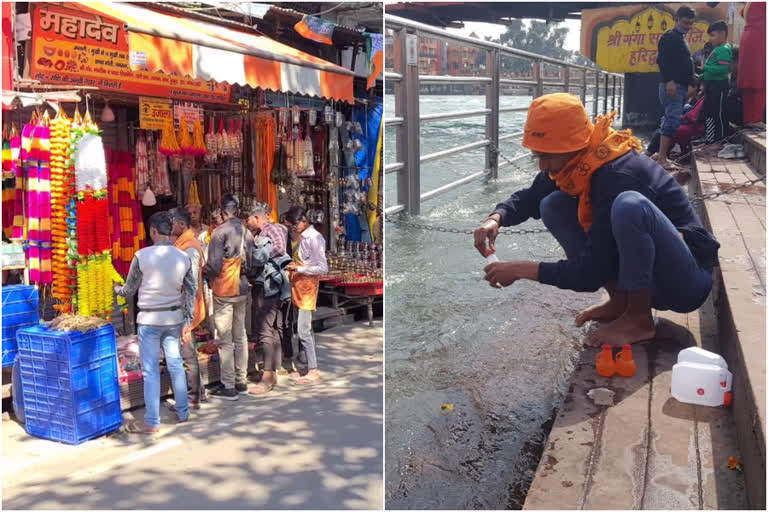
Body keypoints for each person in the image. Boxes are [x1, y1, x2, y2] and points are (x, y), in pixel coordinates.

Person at [473, 93, 720, 347]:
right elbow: (532, 196)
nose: (542, 165)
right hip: (652, 278)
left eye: (547, 156)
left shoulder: (616, 173)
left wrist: (520, 270)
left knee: (630, 206)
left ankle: (638, 318)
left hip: (685, 282)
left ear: (572, 146)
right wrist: (496, 218)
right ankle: (620, 301)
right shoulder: (575, 163)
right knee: (552, 204)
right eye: (538, 156)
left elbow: (591, 272)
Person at [115, 212, 196, 433]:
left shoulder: (141, 256)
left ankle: (151, 421)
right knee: (176, 364)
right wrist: (188, 320)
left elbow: (129, 290)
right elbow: (191, 291)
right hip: (174, 318)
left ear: (152, 231)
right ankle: (182, 411)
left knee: (150, 370)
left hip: (149, 320)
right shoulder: (183, 257)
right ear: (170, 231)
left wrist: (116, 289)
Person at [204, 194, 255, 400]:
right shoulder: (245, 231)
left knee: (224, 339)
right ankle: (241, 381)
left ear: (223, 211)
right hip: (242, 288)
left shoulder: (219, 232)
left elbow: (214, 266)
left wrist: (202, 272)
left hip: (224, 290)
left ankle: (228, 386)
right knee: (240, 336)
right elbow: (251, 262)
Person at [244, 202, 292, 394]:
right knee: (273, 329)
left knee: (264, 329)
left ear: (257, 218)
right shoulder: (275, 229)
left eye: (248, 219)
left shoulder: (270, 230)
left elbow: (278, 249)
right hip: (273, 286)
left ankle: (267, 375)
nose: (247, 223)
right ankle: (274, 369)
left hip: (268, 286)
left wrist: (259, 255)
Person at [170, 207, 207, 408]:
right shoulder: (182, 244)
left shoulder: (190, 247)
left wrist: (187, 314)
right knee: (186, 348)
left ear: (181, 225)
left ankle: (193, 396)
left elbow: (191, 282)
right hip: (184, 304)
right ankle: (198, 391)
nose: (170, 226)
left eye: (173, 222)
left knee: (187, 351)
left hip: (187, 306)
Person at [286, 207, 328, 384]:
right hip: (298, 286)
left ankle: (313, 368)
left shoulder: (314, 238)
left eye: (295, 224)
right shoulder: (303, 238)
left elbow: (322, 268)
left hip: (308, 289)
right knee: (304, 328)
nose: (294, 228)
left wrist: (300, 268)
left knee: (303, 330)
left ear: (304, 221)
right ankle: (307, 362)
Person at [656, 6, 697, 171]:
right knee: (672, 120)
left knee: (670, 119)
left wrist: (692, 77)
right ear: (677, 19)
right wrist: (670, 81)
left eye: (690, 24)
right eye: (685, 22)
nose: (688, 26)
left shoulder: (680, 38)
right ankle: (661, 158)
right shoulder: (670, 37)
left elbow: (682, 63)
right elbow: (662, 61)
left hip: (680, 86)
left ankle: (660, 155)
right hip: (672, 86)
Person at [699, 21, 732, 144]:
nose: (710, 39)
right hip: (711, 85)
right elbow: (714, 69)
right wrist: (701, 76)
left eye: (713, 35)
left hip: (719, 86)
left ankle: (722, 139)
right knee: (709, 111)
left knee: (718, 112)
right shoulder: (718, 49)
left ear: (722, 34)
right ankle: (710, 138)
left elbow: (723, 69)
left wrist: (706, 69)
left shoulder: (723, 49)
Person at [737, 2, 766, 125]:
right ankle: (755, 120)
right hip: (760, 39)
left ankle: (749, 119)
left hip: (748, 38)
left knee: (749, 80)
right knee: (761, 80)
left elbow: (743, 13)